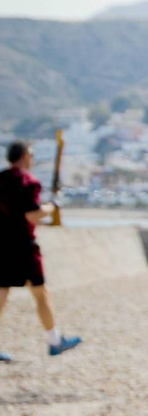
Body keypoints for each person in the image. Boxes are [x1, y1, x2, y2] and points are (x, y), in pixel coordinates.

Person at [0, 140, 82, 361]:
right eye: (32, 155)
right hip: (23, 245)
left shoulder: (2, 178)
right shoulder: (28, 181)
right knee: (40, 291)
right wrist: (53, 204)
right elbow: (32, 215)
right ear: (25, 156)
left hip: (2, 242)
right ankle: (55, 340)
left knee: (2, 291)